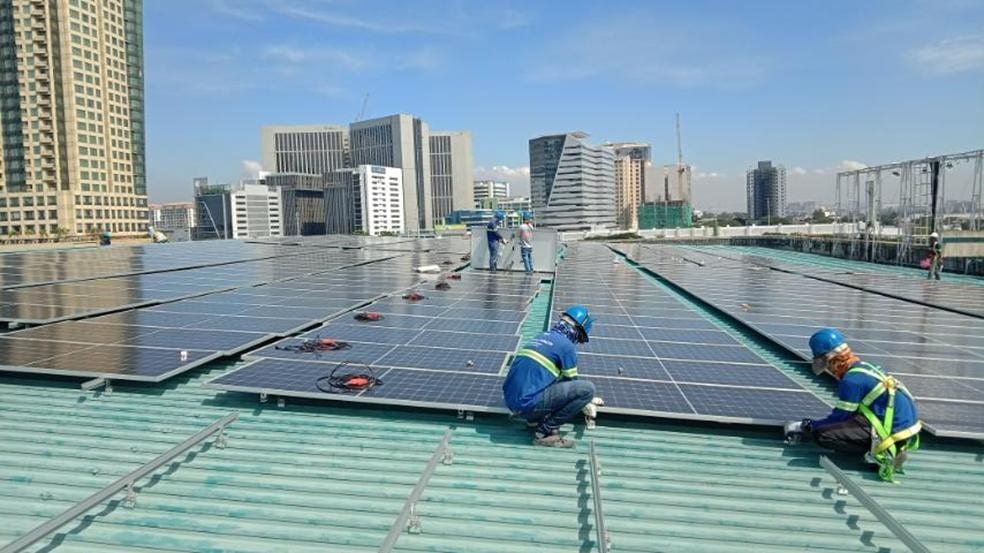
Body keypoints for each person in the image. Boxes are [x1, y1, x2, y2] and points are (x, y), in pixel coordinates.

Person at [785, 328, 921, 482]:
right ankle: (894, 445)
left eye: (827, 365)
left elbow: (840, 417)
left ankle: (881, 451)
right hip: (906, 426)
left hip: (891, 430)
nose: (829, 370)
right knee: (847, 423)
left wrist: (807, 426)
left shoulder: (852, 380)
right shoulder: (866, 367)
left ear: (831, 360)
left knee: (823, 434)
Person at [503, 305, 597, 448]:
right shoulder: (567, 346)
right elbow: (572, 383)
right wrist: (586, 403)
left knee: (550, 379)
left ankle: (534, 421)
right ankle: (543, 432)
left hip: (512, 404)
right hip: (528, 406)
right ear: (578, 330)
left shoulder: (541, 336)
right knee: (588, 390)